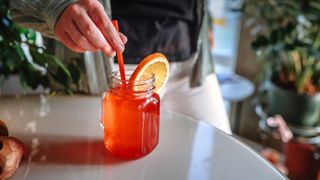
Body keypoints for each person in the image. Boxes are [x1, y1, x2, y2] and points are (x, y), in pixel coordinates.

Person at [10, 0, 231, 134]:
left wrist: (206, 19)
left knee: (220, 158)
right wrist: (55, 6)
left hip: (191, 58)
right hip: (106, 63)